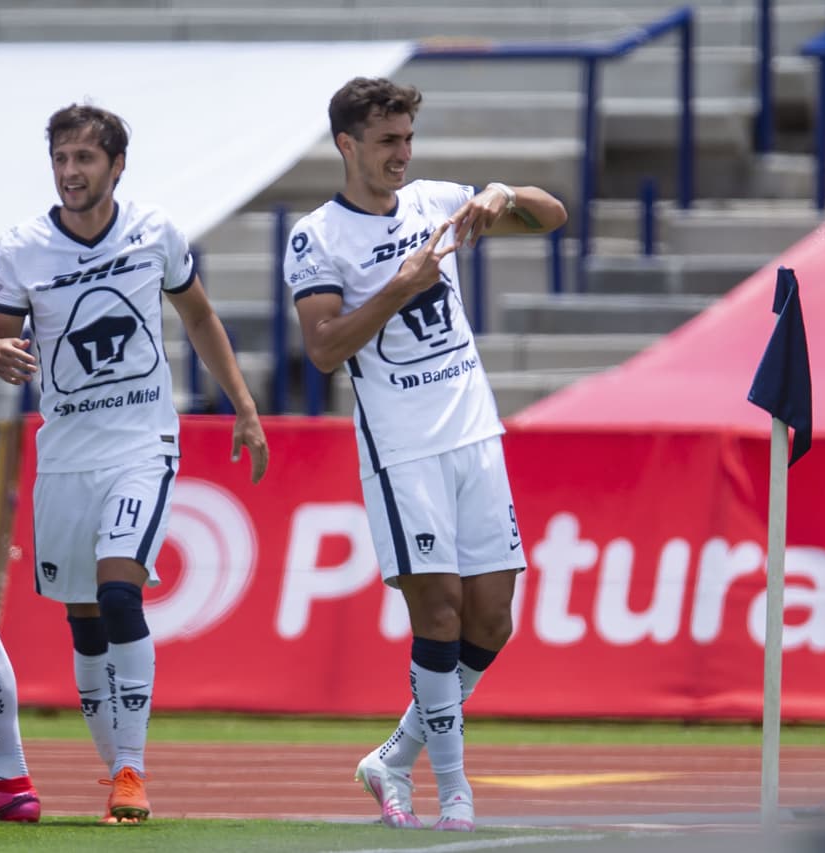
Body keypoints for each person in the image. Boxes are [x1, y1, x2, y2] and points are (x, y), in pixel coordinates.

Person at [283, 77, 567, 832]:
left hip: (475, 435)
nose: (402, 154)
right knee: (438, 611)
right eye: (386, 141)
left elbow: (553, 215)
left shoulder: (437, 202)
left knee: (493, 619)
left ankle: (392, 759)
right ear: (348, 145)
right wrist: (399, 287)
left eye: (408, 138)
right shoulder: (318, 235)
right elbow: (321, 348)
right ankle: (456, 795)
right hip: (402, 447)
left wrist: (501, 193)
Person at [0, 103, 269, 824]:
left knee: (118, 596)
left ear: (116, 165)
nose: (71, 172)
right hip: (65, 455)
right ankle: (117, 769)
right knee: (83, 621)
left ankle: (134, 770)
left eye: (85, 159)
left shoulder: (154, 232)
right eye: (61, 159)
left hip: (143, 446)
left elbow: (198, 314)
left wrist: (243, 403)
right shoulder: (20, 248)